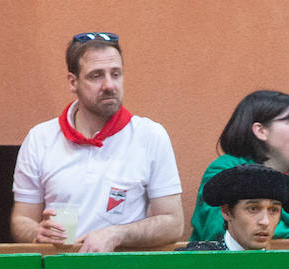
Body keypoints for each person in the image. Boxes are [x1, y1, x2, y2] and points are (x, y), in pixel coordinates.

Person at [11, 31, 183, 252]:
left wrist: (116, 234)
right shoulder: (39, 138)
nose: (109, 85)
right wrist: (37, 232)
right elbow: (22, 220)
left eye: (116, 74)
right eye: (96, 76)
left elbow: (173, 223)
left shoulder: (150, 135)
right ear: (73, 82)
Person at [190, 90, 289, 245]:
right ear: (261, 131)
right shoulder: (225, 170)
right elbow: (222, 232)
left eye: (273, 210)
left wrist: (276, 213)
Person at [183, 164, 289, 251]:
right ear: (227, 212)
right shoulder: (195, 263)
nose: (265, 221)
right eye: (253, 209)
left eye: (273, 210)